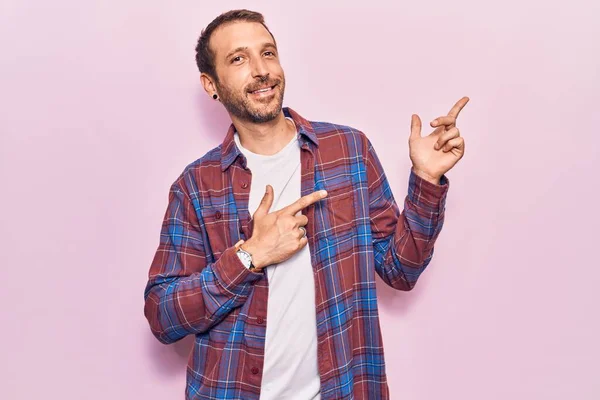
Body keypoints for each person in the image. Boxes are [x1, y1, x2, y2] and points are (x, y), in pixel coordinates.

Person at [143, 8, 468, 400]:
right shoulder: (196, 186)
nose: (261, 70)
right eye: (239, 58)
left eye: (268, 53)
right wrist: (250, 255)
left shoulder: (349, 152)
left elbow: (401, 270)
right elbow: (162, 316)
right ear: (211, 84)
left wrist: (427, 180)